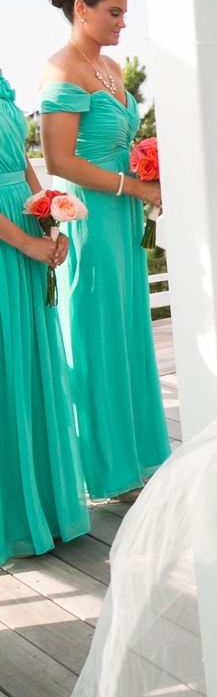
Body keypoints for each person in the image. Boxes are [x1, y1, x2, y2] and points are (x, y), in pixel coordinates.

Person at [39, 0, 170, 501]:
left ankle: (140, 456)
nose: (121, 23)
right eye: (113, 13)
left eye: (123, 12)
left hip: (122, 219)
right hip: (90, 221)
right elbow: (59, 160)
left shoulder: (112, 69)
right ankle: (106, 470)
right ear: (80, 9)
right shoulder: (61, 72)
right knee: (96, 341)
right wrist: (133, 187)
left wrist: (146, 167)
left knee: (128, 335)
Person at [0, 67, 89, 561]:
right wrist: (29, 245)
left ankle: (44, 507)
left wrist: (49, 216)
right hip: (7, 242)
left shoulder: (3, 84)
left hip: (26, 225)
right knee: (7, 368)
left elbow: (28, 168)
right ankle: (13, 516)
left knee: (33, 364)